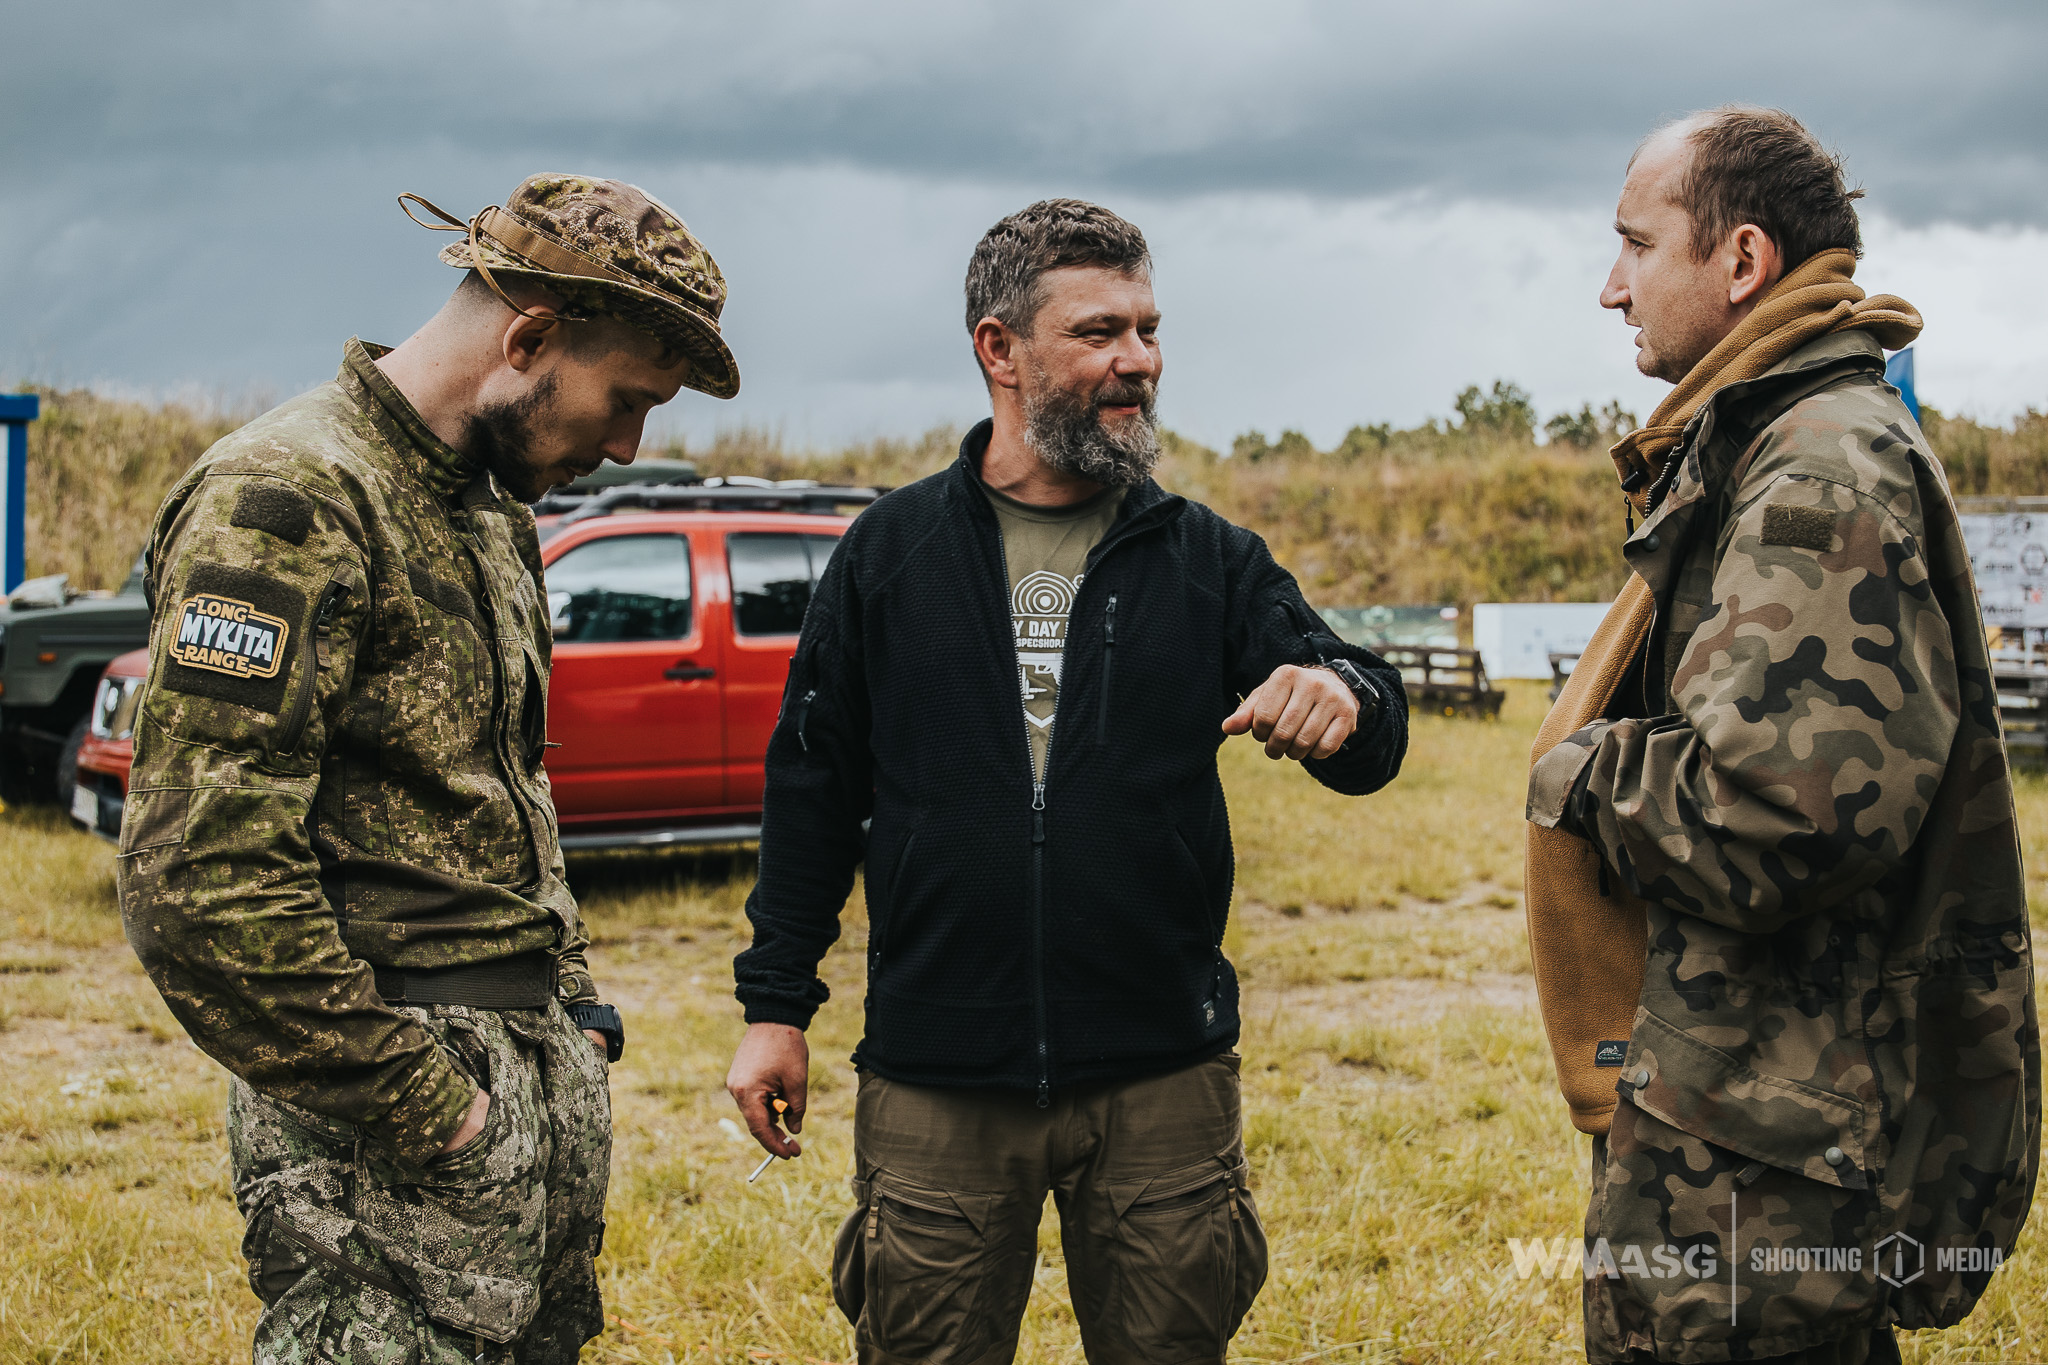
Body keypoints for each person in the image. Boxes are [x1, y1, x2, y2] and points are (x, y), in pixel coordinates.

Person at [726, 198, 1407, 1363]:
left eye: (1147, 330)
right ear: (999, 350)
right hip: (938, 1077)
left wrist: (1345, 697)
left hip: (1161, 1077)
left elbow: (1364, 713)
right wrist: (775, 1008)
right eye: (1098, 332)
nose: (1136, 361)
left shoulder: (1205, 559)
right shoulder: (888, 557)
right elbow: (811, 789)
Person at [119, 174, 740, 1362]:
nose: (625, 446)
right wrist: (439, 1113)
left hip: (521, 1097)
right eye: (626, 401)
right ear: (528, 338)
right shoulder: (289, 500)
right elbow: (199, 882)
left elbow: (504, 791)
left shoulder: (489, 509)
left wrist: (571, 1014)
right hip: (390, 1144)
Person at [1524, 108, 2039, 1364]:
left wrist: (1578, 767)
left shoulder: (1816, 468)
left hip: (1767, 1157)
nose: (1609, 288)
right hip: (1746, 1116)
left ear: (1740, 261)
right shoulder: (1776, 438)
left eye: (1633, 245)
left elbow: (1774, 817)